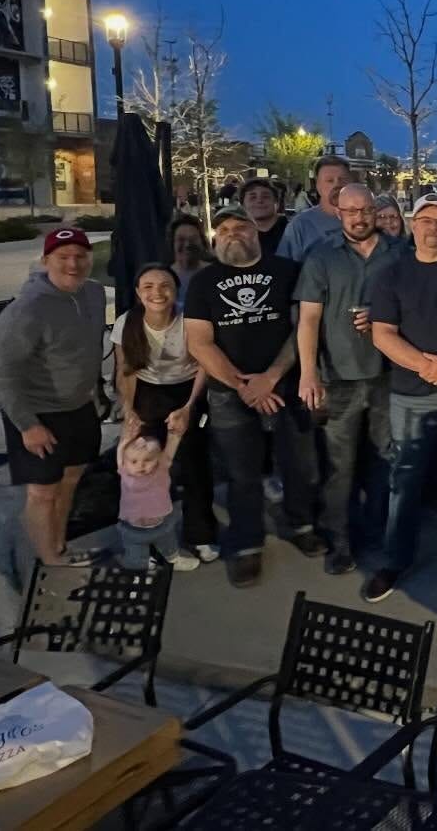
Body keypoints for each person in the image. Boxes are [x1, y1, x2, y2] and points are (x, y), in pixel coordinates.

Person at [185, 207, 322, 587]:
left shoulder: (287, 271)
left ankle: (302, 524)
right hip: (230, 393)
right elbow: (199, 342)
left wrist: (272, 377)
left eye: (240, 227)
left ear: (255, 232)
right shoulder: (203, 282)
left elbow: (302, 328)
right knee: (241, 473)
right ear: (216, 239)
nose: (233, 233)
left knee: (299, 463)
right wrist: (243, 386)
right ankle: (247, 544)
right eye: (225, 229)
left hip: (286, 384)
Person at [365, 193, 437, 601]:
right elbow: (383, 334)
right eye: (425, 220)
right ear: (413, 225)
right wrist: (426, 366)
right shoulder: (392, 273)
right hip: (412, 393)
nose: (433, 228)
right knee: (405, 480)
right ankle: (395, 560)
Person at [296, 184, 400, 576]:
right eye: (351, 211)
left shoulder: (398, 251)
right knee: (340, 467)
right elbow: (308, 319)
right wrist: (308, 372)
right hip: (339, 375)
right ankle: (340, 541)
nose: (359, 218)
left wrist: (383, 314)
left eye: (365, 210)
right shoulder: (321, 255)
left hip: (387, 374)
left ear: (375, 210)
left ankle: (377, 533)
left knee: (384, 460)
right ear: (338, 213)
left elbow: (413, 303)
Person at [0, 228, 108, 565]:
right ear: (46, 261)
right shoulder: (25, 311)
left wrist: (97, 393)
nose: (73, 264)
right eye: (63, 256)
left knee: (70, 481)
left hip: (80, 407)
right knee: (42, 492)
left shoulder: (95, 293)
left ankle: (58, 543)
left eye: (80, 256)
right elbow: (1, 376)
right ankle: (49, 559)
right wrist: (28, 426)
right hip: (37, 413)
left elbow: (89, 349)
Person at [113, 263, 215, 565]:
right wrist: (129, 410)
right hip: (146, 392)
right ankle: (152, 536)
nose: (157, 292)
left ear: (175, 290)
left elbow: (204, 364)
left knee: (195, 465)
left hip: (187, 389)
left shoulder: (189, 319)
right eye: (148, 286)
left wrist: (189, 407)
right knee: (146, 466)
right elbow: (126, 370)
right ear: (137, 292)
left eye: (164, 285)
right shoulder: (127, 323)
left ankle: (200, 534)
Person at [114, 418, 198, 572]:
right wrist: (127, 434)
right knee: (136, 560)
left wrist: (175, 432)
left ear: (158, 459)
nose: (141, 466)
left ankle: (174, 559)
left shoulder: (161, 470)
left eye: (148, 460)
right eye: (134, 461)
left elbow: (170, 449)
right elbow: (121, 449)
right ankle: (137, 562)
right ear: (125, 463)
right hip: (133, 530)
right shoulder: (124, 471)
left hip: (162, 525)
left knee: (169, 545)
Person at [278, 155, 353, 261]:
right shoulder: (300, 225)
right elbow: (284, 266)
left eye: (342, 179)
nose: (337, 185)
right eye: (329, 180)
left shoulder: (364, 220)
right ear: (318, 185)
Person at [168, 212, 208, 306]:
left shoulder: (215, 273)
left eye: (193, 239)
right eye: (181, 239)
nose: (187, 244)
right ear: (172, 243)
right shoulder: (163, 277)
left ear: (202, 242)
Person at [242, 178, 288, 257]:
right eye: (253, 197)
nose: (259, 201)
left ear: (277, 203)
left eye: (266, 196)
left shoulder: (293, 231)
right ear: (243, 205)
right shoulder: (239, 235)